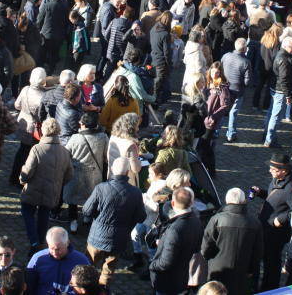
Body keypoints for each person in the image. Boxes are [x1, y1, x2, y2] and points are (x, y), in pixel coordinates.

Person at [82, 157, 146, 287]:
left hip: (97, 237)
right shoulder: (136, 192)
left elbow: (86, 210)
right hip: (118, 240)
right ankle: (102, 290)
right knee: (108, 270)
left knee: (87, 266)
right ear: (128, 172)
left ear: (111, 169)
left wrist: (98, 217)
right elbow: (141, 217)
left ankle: (85, 288)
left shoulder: (101, 188)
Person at [20, 118, 73, 250]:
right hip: (52, 192)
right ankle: (41, 241)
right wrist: (58, 183)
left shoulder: (37, 149)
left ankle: (34, 242)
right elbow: (69, 175)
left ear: (43, 130)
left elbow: (28, 171)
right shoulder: (64, 152)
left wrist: (22, 179)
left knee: (27, 212)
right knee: (44, 216)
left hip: (33, 189)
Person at [201, 187, 263, 295]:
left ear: (227, 201)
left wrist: (208, 258)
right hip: (242, 272)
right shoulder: (255, 223)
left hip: (218, 270)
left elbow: (206, 247)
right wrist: (251, 270)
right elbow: (258, 252)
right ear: (243, 201)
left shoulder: (216, 219)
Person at [250, 154, 292, 291]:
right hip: (266, 229)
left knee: (272, 264)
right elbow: (273, 196)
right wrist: (260, 192)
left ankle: (269, 289)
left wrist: (281, 219)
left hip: (276, 234)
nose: (270, 171)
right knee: (265, 259)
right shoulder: (276, 180)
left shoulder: (291, 188)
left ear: (284, 171)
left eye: (273, 169)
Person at [149, 187, 203, 295]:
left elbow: (165, 263)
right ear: (192, 203)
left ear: (172, 203)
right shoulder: (197, 221)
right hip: (182, 277)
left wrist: (152, 265)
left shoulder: (175, 229)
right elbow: (196, 247)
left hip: (167, 282)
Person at [64, 112, 109, 233]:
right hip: (95, 174)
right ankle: (87, 217)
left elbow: (66, 154)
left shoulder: (75, 138)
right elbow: (106, 157)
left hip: (76, 174)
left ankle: (73, 221)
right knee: (91, 197)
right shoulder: (103, 137)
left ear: (83, 124)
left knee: (73, 198)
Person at [265, 36, 292, 148]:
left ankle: (267, 134)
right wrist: (288, 95)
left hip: (275, 88)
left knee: (271, 113)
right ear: (285, 46)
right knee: (276, 116)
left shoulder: (280, 55)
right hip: (280, 91)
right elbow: (284, 79)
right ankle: (270, 139)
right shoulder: (284, 60)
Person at [220, 38, 251, 143]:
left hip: (224, 88)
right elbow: (247, 81)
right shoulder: (246, 62)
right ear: (245, 49)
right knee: (233, 112)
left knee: (221, 109)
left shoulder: (226, 56)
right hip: (237, 91)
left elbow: (220, 68)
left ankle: (215, 131)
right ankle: (231, 134)